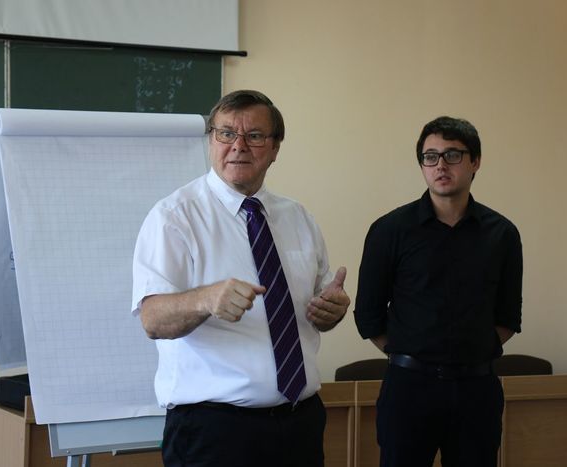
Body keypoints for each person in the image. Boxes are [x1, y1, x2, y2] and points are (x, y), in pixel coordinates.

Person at [131, 89, 350, 467]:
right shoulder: (174, 217)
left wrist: (332, 310)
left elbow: (316, 307)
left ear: (275, 148)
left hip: (300, 423)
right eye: (226, 133)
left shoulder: (298, 217)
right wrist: (205, 299)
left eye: (255, 135)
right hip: (215, 431)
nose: (239, 145)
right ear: (211, 141)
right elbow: (152, 319)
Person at [353, 116, 522, 467]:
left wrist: (468, 351)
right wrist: (413, 352)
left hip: (476, 390)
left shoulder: (502, 234)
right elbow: (368, 315)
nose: (440, 165)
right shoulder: (389, 230)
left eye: (452, 155)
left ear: (475, 162)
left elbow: (508, 316)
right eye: (430, 157)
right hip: (409, 389)